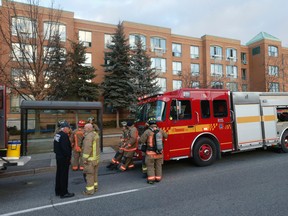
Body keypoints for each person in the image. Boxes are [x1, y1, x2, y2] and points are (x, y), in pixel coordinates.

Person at [138, 119, 168, 184]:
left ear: (149, 124)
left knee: (150, 166)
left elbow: (141, 140)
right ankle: (158, 178)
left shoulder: (147, 131)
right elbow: (166, 136)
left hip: (150, 153)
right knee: (158, 165)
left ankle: (151, 180)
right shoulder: (160, 130)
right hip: (159, 152)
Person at [53, 120, 74, 198]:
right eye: (68, 128)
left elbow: (55, 148)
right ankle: (64, 192)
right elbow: (66, 149)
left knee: (59, 174)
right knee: (64, 176)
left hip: (59, 157)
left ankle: (58, 190)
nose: (69, 130)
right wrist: (69, 157)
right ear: (64, 128)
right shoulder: (64, 135)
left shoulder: (57, 135)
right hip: (64, 158)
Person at [82, 123, 100, 195]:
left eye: (85, 128)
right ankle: (95, 188)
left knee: (89, 175)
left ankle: (89, 191)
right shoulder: (95, 134)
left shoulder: (89, 136)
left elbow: (87, 148)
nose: (84, 129)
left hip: (90, 160)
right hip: (96, 159)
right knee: (95, 174)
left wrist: (84, 159)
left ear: (89, 129)